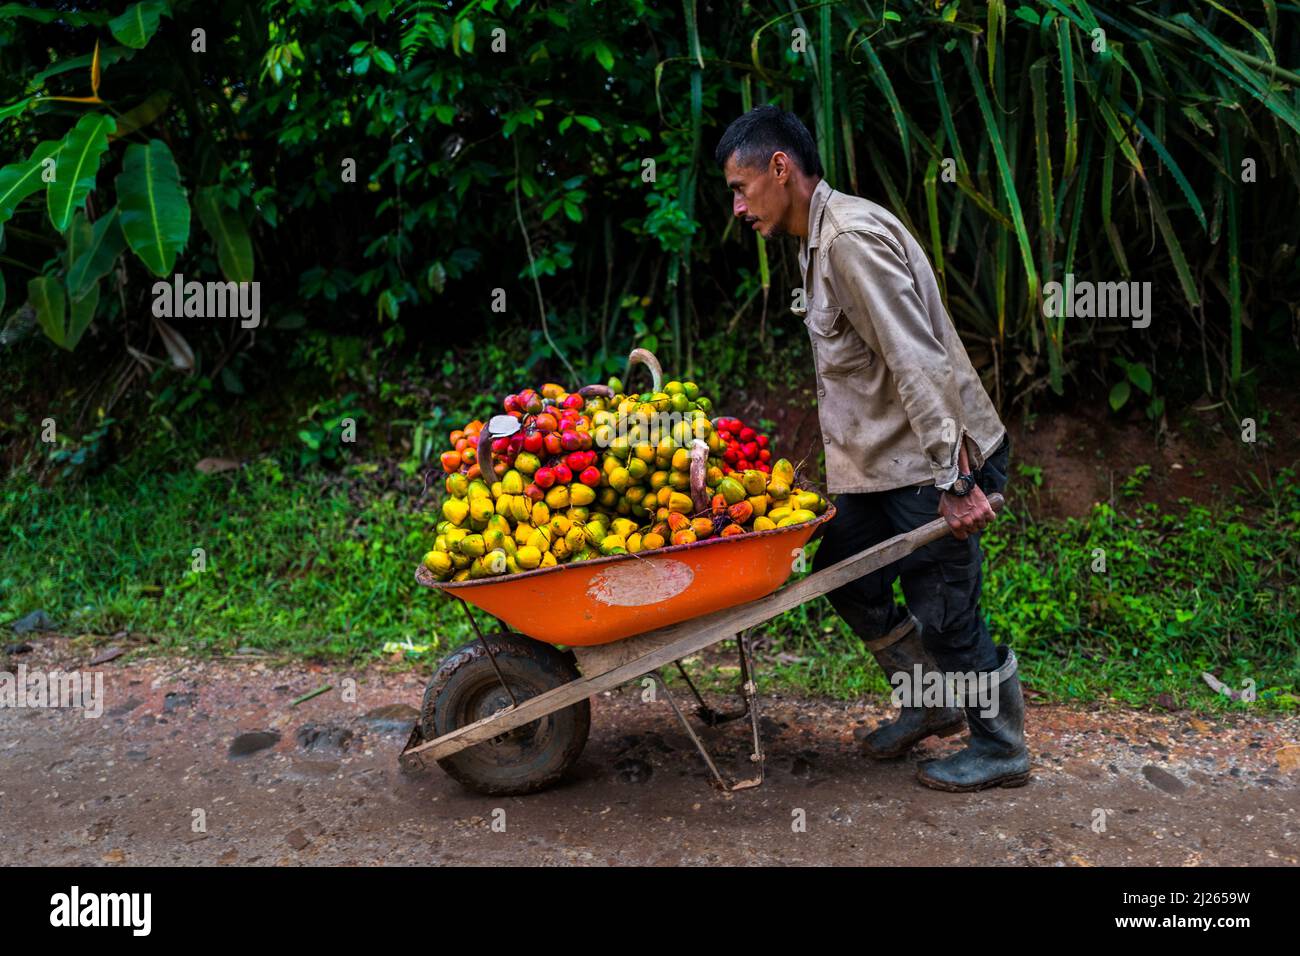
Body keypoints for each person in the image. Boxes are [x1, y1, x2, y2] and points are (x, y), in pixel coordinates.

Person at [713, 105, 1029, 791]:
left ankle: (1002, 746)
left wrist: (954, 478)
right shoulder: (814, 238)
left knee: (945, 608)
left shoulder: (849, 240)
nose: (738, 206)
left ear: (780, 169)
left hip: (933, 458)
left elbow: (917, 361)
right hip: (886, 461)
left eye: (741, 188)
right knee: (845, 572)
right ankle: (928, 701)